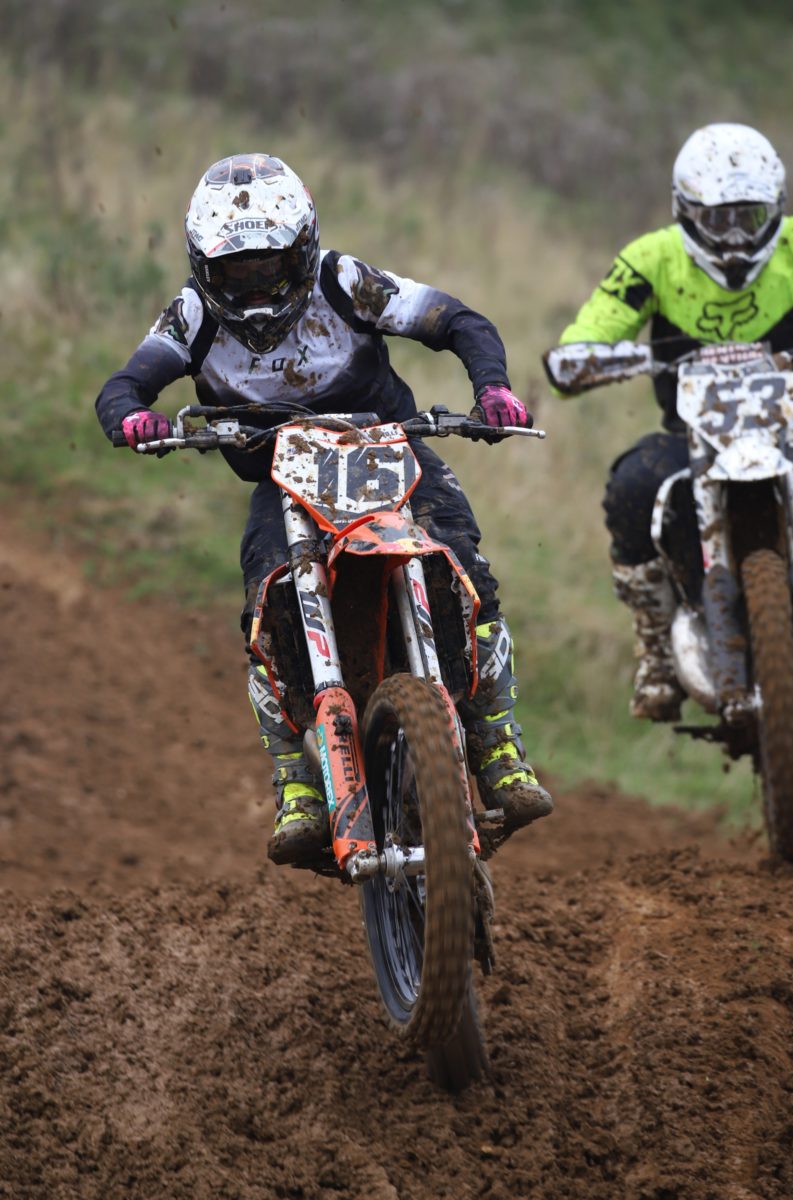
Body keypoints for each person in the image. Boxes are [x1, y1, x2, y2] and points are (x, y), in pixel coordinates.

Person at [96, 152, 552, 866]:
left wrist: (492, 388)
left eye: (268, 267)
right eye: (235, 272)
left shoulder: (344, 283)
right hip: (283, 481)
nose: (253, 286)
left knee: (468, 573)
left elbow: (457, 320)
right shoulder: (191, 315)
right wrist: (134, 418)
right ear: (204, 267)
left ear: (303, 248)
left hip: (391, 453)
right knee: (264, 612)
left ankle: (498, 747)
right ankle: (298, 784)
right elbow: (124, 385)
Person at [551, 122, 793, 721]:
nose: (733, 237)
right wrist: (583, 356)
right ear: (684, 210)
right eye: (716, 219)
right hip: (689, 438)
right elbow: (590, 331)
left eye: (749, 218)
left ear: (777, 208)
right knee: (632, 488)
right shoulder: (650, 260)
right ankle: (655, 645)